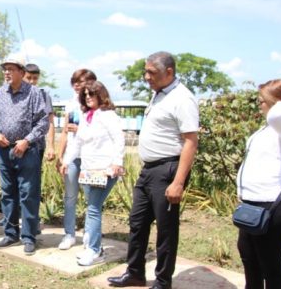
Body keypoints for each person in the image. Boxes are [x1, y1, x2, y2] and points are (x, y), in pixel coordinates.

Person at [108, 51, 199, 289]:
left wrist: (178, 182)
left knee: (166, 230)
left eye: (152, 72)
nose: (146, 77)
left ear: (169, 72)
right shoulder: (158, 94)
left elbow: (190, 141)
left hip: (168, 170)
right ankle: (135, 273)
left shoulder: (182, 98)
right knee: (137, 223)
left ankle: (162, 281)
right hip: (149, 170)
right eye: (145, 71)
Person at [236, 79, 281, 289]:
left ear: (276, 103)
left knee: (270, 263)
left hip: (279, 205)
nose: (259, 105)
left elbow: (278, 115)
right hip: (255, 203)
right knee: (249, 256)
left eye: (263, 101)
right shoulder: (269, 128)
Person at [0, 55, 49, 256]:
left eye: (11, 69)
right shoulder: (0, 93)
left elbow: (43, 122)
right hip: (5, 150)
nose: (6, 72)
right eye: (5, 69)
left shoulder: (33, 93)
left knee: (28, 194)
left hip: (27, 150)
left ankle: (29, 237)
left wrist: (26, 141)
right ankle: (10, 233)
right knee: (7, 193)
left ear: (22, 73)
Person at [61, 81, 125, 266]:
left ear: (100, 95)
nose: (88, 97)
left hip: (105, 170)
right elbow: (77, 143)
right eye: (86, 94)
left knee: (94, 208)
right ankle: (93, 246)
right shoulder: (86, 116)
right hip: (88, 170)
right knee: (92, 207)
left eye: (92, 94)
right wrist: (66, 161)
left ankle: (94, 250)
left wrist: (116, 163)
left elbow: (119, 140)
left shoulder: (108, 115)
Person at [56, 69, 97, 250]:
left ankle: (89, 235)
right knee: (70, 197)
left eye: (81, 81)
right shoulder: (71, 104)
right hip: (72, 157)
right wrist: (60, 156)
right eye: (75, 81)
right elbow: (65, 132)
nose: (77, 85)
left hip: (90, 157)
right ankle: (69, 234)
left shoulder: (96, 104)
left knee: (91, 199)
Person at [24, 63, 56, 162]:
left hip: (36, 147)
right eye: (28, 78)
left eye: (35, 78)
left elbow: (50, 123)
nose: (32, 81)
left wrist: (50, 146)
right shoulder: (13, 95)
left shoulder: (44, 96)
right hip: (14, 145)